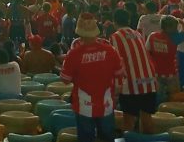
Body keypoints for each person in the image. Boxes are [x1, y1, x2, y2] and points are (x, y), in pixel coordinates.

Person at [61, 13, 123, 142]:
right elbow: (119, 77)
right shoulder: (111, 51)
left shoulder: (74, 54)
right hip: (106, 104)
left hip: (84, 105)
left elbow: (65, 80)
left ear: (79, 32)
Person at [111, 8, 158, 134]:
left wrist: (115, 87)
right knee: (147, 120)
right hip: (149, 81)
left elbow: (116, 63)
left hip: (131, 84)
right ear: (129, 20)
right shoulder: (138, 34)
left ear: (114, 22)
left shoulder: (115, 37)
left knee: (128, 123)